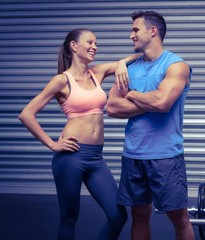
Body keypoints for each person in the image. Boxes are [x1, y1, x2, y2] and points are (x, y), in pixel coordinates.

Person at [18, 28, 141, 240]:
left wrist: (121, 63)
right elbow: (26, 114)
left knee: (117, 215)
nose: (95, 46)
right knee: (69, 217)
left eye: (96, 43)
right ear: (73, 46)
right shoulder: (61, 81)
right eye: (90, 42)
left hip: (96, 158)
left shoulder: (97, 72)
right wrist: (52, 144)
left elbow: (139, 56)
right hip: (70, 157)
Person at [106, 11, 195, 240]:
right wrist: (150, 100)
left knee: (179, 218)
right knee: (139, 216)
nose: (131, 36)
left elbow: (163, 102)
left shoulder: (176, 66)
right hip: (133, 154)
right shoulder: (129, 68)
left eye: (135, 30)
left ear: (152, 31)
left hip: (165, 156)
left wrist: (133, 94)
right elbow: (113, 107)